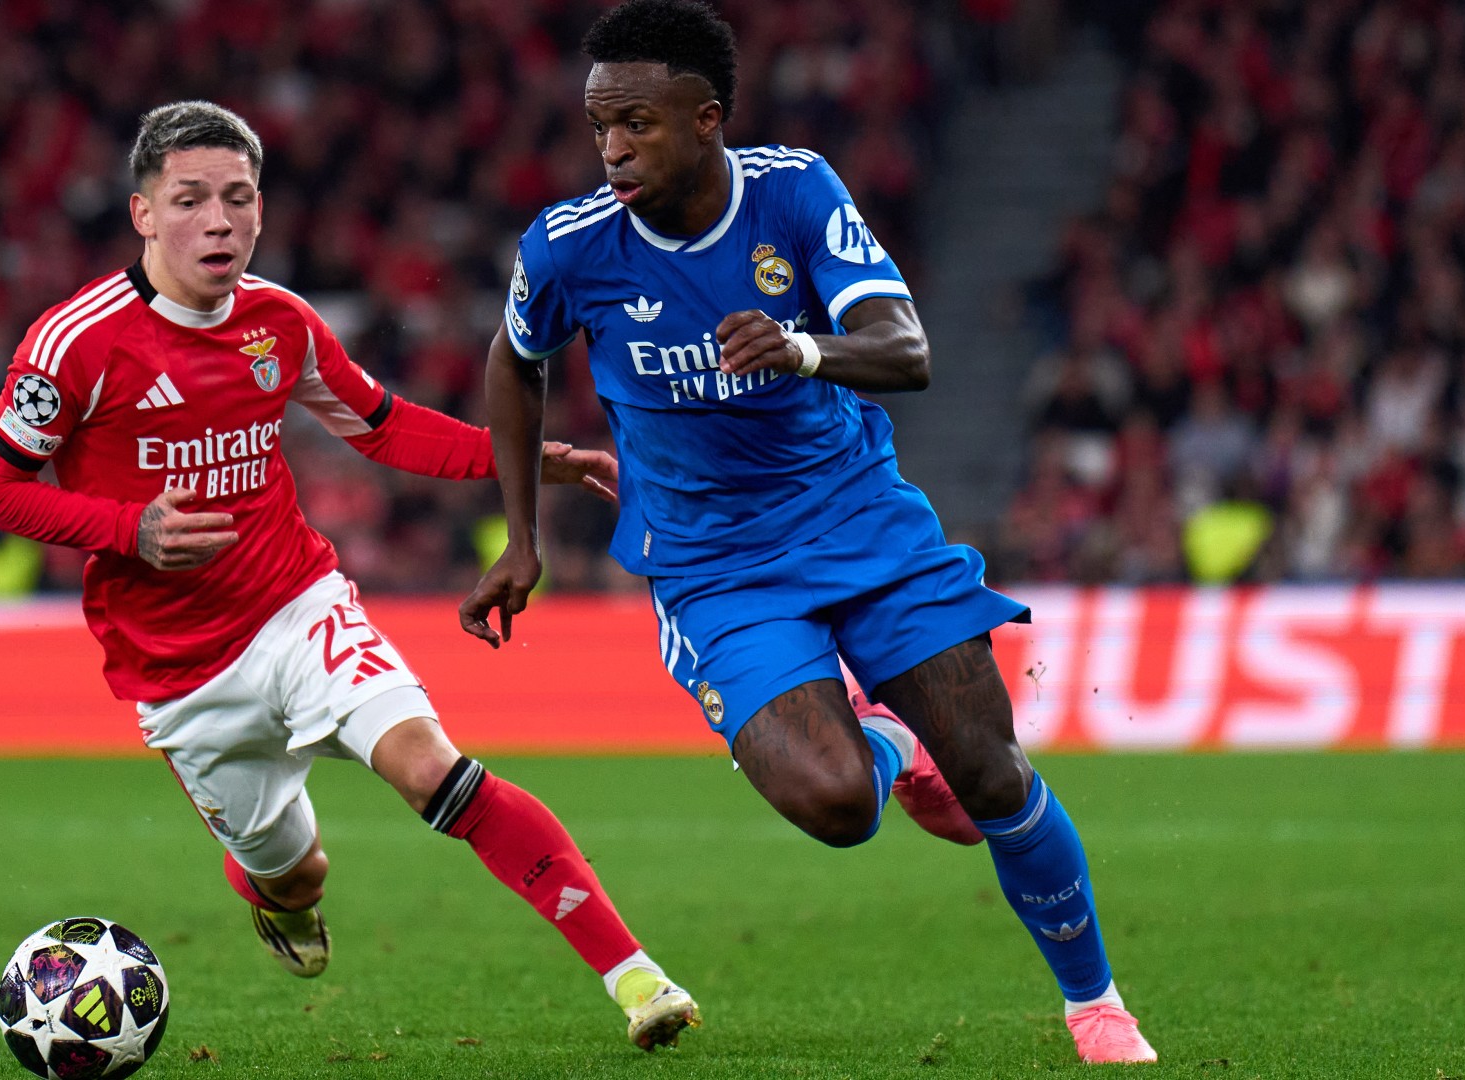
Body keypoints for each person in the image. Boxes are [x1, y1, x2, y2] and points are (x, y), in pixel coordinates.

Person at [459, 0, 1156, 1065]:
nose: (611, 150)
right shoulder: (570, 247)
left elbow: (905, 346)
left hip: (860, 521)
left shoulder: (793, 191)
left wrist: (797, 348)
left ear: (707, 120)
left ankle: (1097, 1006)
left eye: (636, 123)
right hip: (713, 567)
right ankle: (885, 743)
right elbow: (516, 360)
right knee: (838, 807)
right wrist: (520, 535)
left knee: (993, 776)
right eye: (600, 126)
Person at [0, 100, 700, 1051]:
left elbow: (383, 424)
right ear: (144, 213)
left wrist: (526, 456)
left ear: (263, 209)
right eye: (190, 200)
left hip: (295, 606)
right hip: (179, 675)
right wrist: (128, 529)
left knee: (429, 766)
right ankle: (272, 891)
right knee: (297, 873)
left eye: (238, 198)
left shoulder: (281, 323)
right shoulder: (77, 343)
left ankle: (636, 978)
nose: (219, 220)